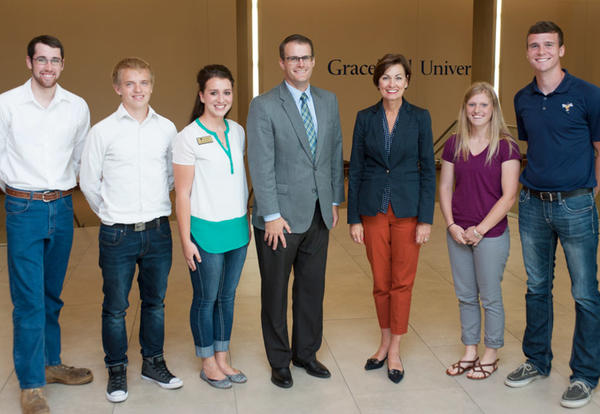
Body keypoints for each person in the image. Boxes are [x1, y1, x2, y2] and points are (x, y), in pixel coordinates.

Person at [503, 21, 600, 409]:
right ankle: (536, 360)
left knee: (585, 293)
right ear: (527, 52)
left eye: (548, 45)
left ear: (561, 50)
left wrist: (591, 196)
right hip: (531, 205)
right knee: (536, 287)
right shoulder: (522, 98)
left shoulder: (588, 94)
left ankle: (586, 374)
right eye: (533, 45)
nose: (540, 51)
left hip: (576, 204)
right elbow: (535, 144)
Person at [79, 57, 182, 403]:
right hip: (117, 235)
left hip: (157, 231)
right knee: (116, 307)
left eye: (144, 83)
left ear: (152, 86)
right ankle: (117, 369)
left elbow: (172, 176)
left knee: (155, 303)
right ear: (117, 87)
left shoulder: (167, 129)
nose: (137, 90)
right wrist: (111, 213)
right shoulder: (102, 131)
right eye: (130, 83)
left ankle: (153, 364)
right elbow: (89, 182)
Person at [0, 34, 93, 414]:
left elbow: (80, 156)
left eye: (55, 60)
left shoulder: (76, 107)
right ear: (29, 62)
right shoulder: (7, 104)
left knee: (52, 295)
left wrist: (61, 191)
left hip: (61, 207)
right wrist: (16, 190)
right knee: (28, 301)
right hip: (23, 207)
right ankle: (32, 384)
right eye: (41, 60)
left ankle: (51, 364)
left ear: (63, 64)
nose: (48, 67)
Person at [246, 34, 345, 388]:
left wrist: (334, 200)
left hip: (319, 212)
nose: (300, 64)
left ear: (314, 61)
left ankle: (306, 353)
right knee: (275, 290)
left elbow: (334, 152)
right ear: (282, 63)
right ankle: (279, 360)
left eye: (305, 57)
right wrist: (270, 214)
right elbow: (260, 163)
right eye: (293, 58)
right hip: (280, 219)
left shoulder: (328, 100)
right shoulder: (264, 104)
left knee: (311, 288)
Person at [347, 53, 435, 384]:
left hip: (408, 210)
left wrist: (426, 218)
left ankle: (395, 348)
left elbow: (428, 168)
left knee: (402, 281)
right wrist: (354, 217)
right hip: (372, 209)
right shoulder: (365, 117)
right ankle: (383, 341)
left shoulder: (420, 118)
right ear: (378, 82)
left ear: (407, 82)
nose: (392, 84)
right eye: (386, 77)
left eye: (398, 77)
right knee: (381, 281)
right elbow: (355, 168)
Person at [173, 64, 249, 390]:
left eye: (227, 92)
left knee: (227, 298)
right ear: (202, 95)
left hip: (237, 230)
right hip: (204, 231)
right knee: (206, 298)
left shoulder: (238, 131)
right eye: (214, 92)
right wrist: (186, 240)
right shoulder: (187, 137)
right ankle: (207, 362)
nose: (221, 99)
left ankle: (222, 357)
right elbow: (183, 193)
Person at [439, 82, 520, 380]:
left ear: (493, 110)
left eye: (484, 105)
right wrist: (451, 225)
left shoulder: (507, 146)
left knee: (490, 296)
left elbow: (508, 196)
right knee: (465, 295)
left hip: (491, 233)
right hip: (458, 231)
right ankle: (470, 350)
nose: (477, 110)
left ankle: (491, 353)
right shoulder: (454, 143)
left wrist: (480, 230)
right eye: (472, 105)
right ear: (465, 108)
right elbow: (445, 187)